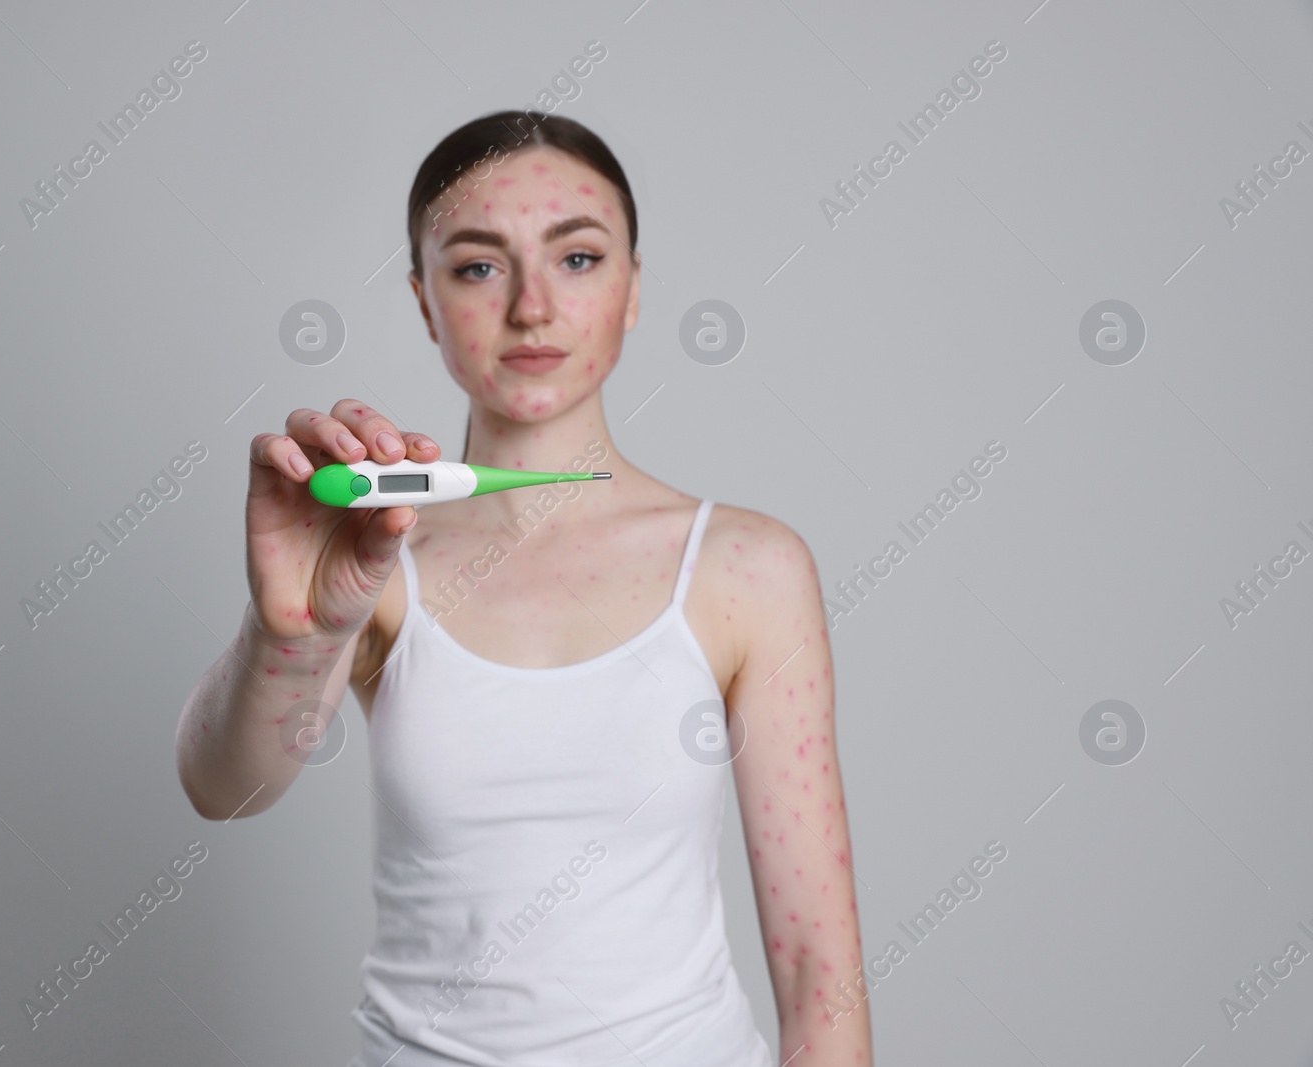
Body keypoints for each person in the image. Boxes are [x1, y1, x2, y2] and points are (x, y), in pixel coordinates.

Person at [174, 110, 873, 1066]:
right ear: (424, 303)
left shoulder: (747, 568)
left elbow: (817, 975)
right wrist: (289, 627)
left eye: (578, 259)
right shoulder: (378, 562)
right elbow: (225, 789)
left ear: (632, 289)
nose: (533, 307)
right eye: (478, 266)